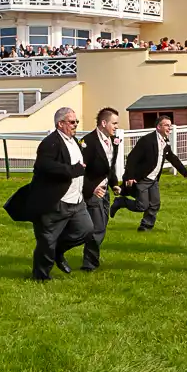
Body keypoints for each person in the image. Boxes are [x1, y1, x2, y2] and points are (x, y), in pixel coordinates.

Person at [3, 107, 93, 281]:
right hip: (55, 201)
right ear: (60, 124)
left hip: (77, 201)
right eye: (72, 122)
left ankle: (58, 252)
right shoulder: (50, 143)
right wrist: (71, 170)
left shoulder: (74, 141)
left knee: (86, 230)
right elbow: (44, 166)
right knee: (47, 241)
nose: (76, 125)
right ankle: (41, 277)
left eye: (76, 122)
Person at [110, 116, 187, 231]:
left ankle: (145, 226)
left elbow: (171, 157)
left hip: (154, 180)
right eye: (167, 125)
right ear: (158, 127)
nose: (170, 127)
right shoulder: (147, 140)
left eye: (170, 125)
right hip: (142, 179)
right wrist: (130, 176)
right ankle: (120, 202)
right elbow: (132, 158)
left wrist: (184, 172)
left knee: (155, 204)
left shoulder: (165, 141)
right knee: (142, 205)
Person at [78, 107, 122, 271]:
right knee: (97, 228)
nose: (116, 126)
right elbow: (79, 170)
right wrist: (92, 188)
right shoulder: (87, 143)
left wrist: (114, 184)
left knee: (101, 226)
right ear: (104, 123)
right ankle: (89, 264)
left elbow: (109, 166)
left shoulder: (114, 140)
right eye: (114, 123)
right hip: (92, 192)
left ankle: (91, 260)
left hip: (105, 191)